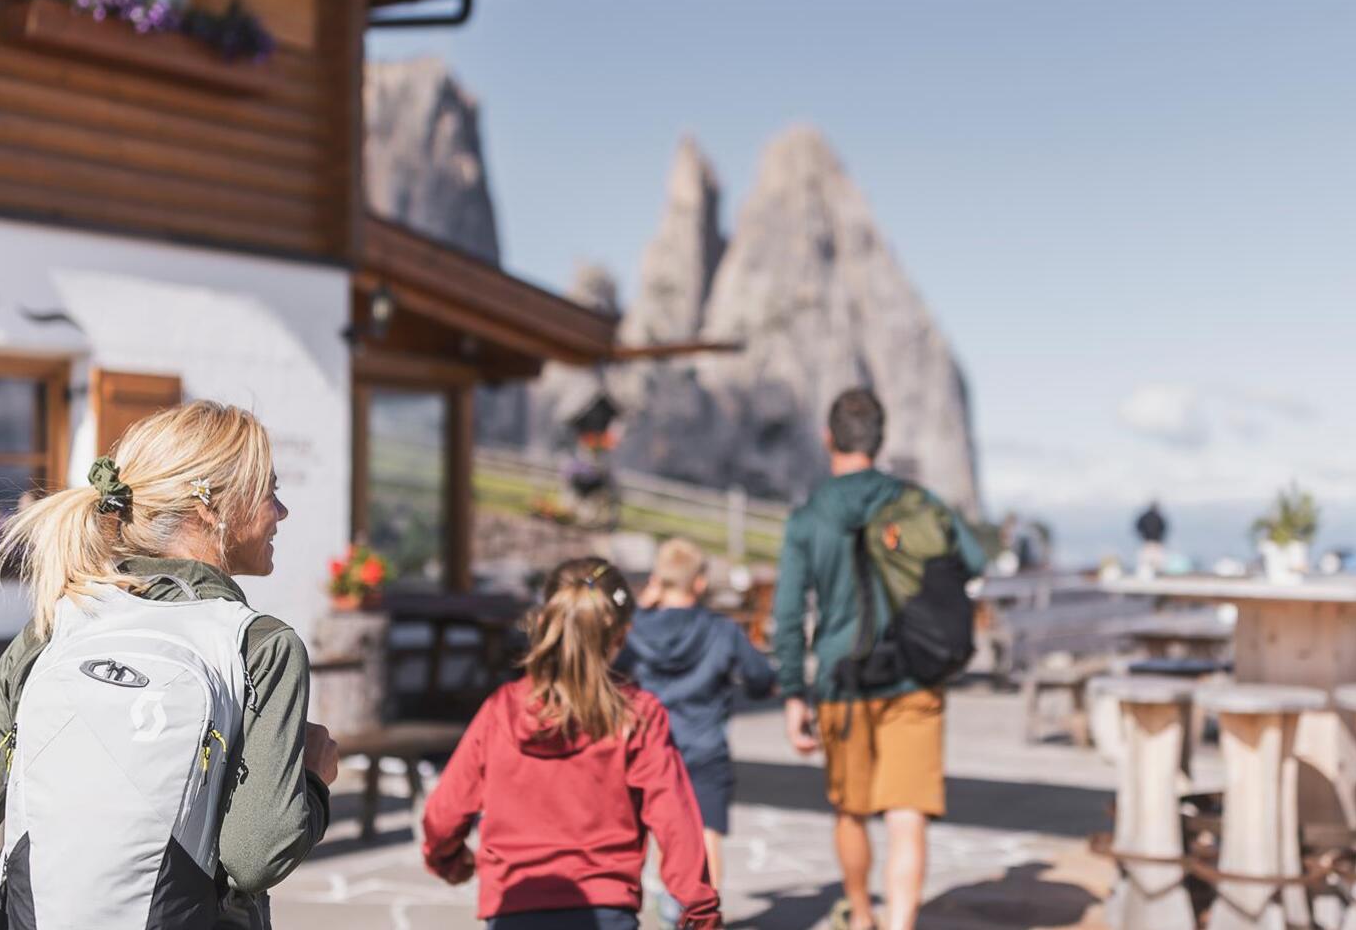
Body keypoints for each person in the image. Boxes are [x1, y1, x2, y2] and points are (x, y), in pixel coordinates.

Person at [0, 401, 338, 930]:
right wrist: (314, 779)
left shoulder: (55, 627)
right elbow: (256, 858)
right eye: (269, 490)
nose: (282, 512)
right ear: (210, 505)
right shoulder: (263, 645)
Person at [773, 388, 987, 930]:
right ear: (880, 439)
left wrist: (793, 691)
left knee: (850, 810)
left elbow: (789, 613)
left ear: (829, 438)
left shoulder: (808, 519)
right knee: (907, 813)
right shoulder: (918, 502)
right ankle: (900, 924)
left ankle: (863, 915)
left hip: (843, 680)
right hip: (916, 673)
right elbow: (975, 559)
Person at [422, 557, 721, 930]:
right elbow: (676, 822)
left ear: (546, 622)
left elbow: (443, 815)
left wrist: (449, 862)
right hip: (607, 911)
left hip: (514, 907)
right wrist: (700, 911)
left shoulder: (501, 710)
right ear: (622, 636)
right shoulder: (639, 716)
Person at [622, 538, 776, 922]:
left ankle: (656, 904)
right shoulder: (721, 631)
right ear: (700, 583)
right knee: (706, 832)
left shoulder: (637, 629)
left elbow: (610, 668)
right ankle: (700, 915)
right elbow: (759, 678)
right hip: (705, 744)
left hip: (649, 745)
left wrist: (641, 607)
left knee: (649, 827)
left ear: (659, 578)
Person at [1135, 501, 1168, 577]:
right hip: (1155, 542)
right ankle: (1155, 575)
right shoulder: (1159, 517)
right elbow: (1164, 528)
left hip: (1148, 541)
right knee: (1155, 562)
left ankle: (1146, 575)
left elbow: (1138, 526)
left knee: (1147, 561)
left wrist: (1143, 535)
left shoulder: (1144, 516)